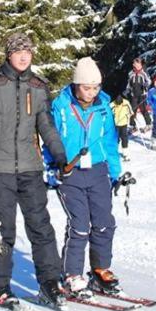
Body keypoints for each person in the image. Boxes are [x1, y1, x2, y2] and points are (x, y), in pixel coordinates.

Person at [0, 33, 70, 310]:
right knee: (3, 231)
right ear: (9, 54)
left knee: (41, 227)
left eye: (28, 51)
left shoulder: (38, 87)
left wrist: (58, 153)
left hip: (30, 167)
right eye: (19, 51)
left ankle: (50, 282)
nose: (24, 56)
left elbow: (46, 126)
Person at [43, 57, 124, 298]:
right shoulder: (61, 106)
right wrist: (51, 166)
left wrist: (115, 171)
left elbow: (110, 140)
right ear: (76, 85)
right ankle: (72, 275)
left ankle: (100, 269)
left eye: (95, 87)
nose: (91, 93)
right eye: (86, 88)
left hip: (98, 170)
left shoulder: (103, 107)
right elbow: (50, 139)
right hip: (70, 170)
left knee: (104, 222)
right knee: (79, 226)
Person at [124, 59, 152, 131]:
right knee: (132, 110)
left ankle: (149, 124)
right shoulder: (131, 73)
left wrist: (146, 84)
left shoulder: (144, 73)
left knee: (144, 109)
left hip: (142, 94)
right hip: (134, 94)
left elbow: (149, 81)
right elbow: (129, 83)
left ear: (140, 65)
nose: (136, 66)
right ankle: (133, 126)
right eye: (135, 64)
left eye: (138, 64)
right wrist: (127, 90)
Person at [111, 94, 133, 161]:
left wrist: (127, 115)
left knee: (124, 138)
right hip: (116, 124)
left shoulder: (126, 103)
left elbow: (131, 112)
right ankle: (114, 153)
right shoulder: (112, 104)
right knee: (115, 139)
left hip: (124, 124)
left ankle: (125, 154)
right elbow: (109, 114)